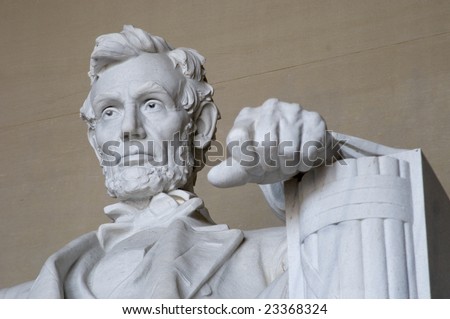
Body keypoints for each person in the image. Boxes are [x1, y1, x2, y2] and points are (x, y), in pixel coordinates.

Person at [0, 25, 402, 298]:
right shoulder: (22, 295)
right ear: (94, 140)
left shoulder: (276, 257)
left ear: (200, 127)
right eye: (109, 112)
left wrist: (314, 167)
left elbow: (382, 264)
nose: (128, 129)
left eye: (151, 104)